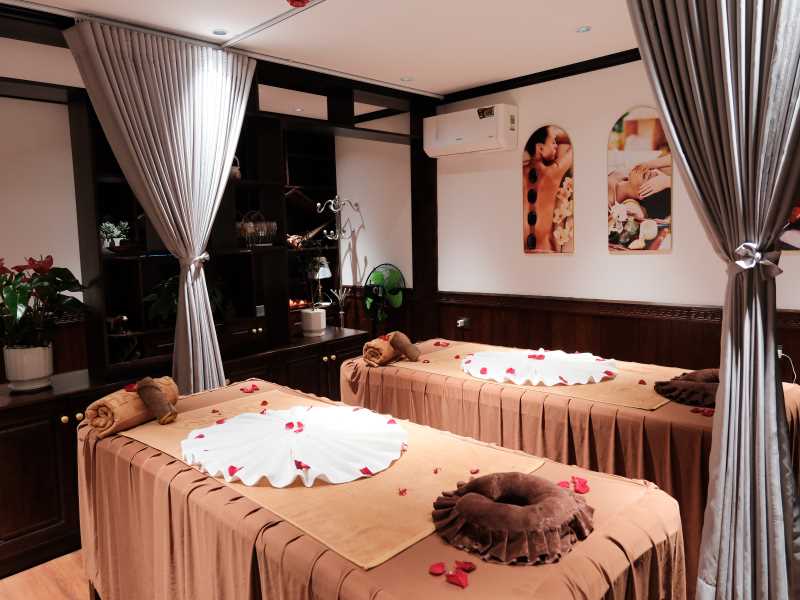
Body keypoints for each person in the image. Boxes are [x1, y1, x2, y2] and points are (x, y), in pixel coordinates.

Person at [524, 126, 573, 252]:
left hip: (523, 249)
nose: (556, 145)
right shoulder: (553, 172)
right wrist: (556, 133)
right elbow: (576, 143)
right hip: (544, 250)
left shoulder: (519, 172)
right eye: (553, 142)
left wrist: (548, 135)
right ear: (540, 148)